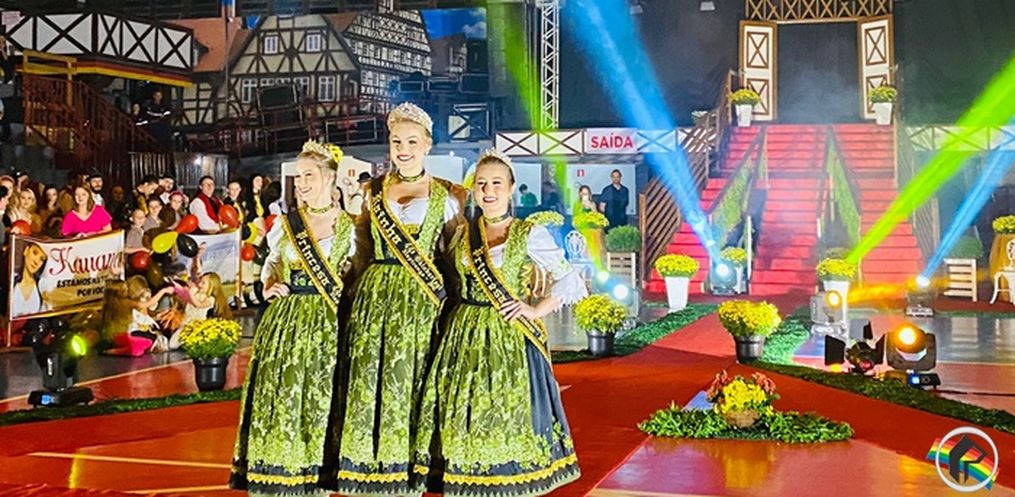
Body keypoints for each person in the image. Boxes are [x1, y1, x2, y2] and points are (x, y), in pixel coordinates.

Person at [415, 150, 584, 497]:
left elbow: (569, 280)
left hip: (508, 335)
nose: (488, 191)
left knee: (505, 407)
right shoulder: (463, 234)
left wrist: (534, 311)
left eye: (496, 183)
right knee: (463, 405)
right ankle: (467, 476)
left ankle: (507, 478)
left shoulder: (529, 233)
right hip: (464, 332)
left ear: (510, 189)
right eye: (481, 184)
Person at [328, 102, 464, 494]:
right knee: (368, 377)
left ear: (428, 145)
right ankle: (366, 465)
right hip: (372, 299)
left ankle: (408, 466)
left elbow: (454, 256)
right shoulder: (371, 192)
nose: (403, 149)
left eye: (411, 142)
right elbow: (360, 249)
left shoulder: (447, 195)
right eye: (396, 142)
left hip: (420, 303)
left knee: (410, 379)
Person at [230, 141, 357, 496]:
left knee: (319, 401)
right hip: (285, 323)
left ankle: (316, 480)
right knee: (282, 397)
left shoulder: (350, 227)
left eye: (309, 176)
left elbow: (357, 276)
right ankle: (279, 478)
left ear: (329, 178)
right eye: (298, 177)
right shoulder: (286, 225)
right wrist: (269, 282)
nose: (301, 183)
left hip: (328, 324)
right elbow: (272, 262)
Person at [13, 242, 48, 315]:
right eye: (35, 253)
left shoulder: (42, 287)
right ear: (26, 250)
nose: (36, 261)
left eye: (42, 259)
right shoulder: (11, 281)